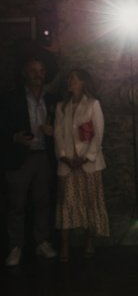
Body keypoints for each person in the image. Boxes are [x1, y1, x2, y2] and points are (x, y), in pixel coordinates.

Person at [1, 58, 57, 266]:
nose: (38, 74)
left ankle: (41, 242)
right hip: (19, 158)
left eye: (41, 70)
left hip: (44, 157)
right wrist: (14, 138)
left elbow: (60, 126)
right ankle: (15, 247)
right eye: (33, 70)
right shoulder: (10, 98)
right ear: (25, 73)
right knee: (16, 205)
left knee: (43, 203)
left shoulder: (51, 98)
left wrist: (53, 133)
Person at [54, 69, 109, 262]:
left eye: (74, 79)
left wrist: (86, 157)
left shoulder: (93, 105)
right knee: (67, 204)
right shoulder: (62, 107)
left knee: (89, 201)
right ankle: (65, 245)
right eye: (69, 79)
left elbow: (98, 134)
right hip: (68, 165)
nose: (70, 82)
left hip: (89, 164)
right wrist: (64, 157)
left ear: (83, 82)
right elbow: (58, 135)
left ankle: (89, 241)